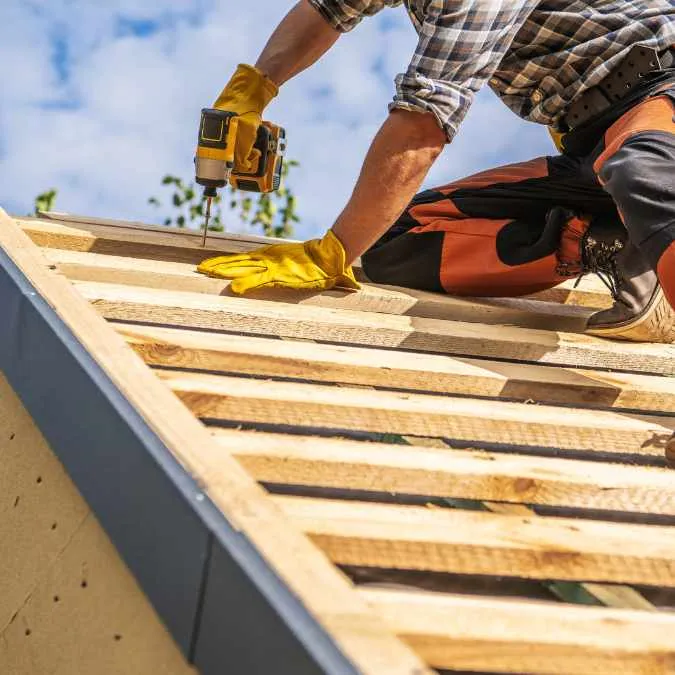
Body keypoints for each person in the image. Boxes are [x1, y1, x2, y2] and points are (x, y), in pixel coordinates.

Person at [197, 0, 675, 342]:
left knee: (642, 172)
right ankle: (616, 245)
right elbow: (327, 10)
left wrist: (330, 254)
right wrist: (255, 87)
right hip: (592, 141)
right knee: (397, 240)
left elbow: (424, 122)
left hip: (658, 93)